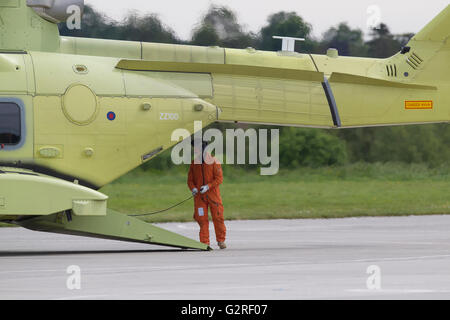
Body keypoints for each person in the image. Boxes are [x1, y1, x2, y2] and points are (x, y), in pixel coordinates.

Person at [188, 140, 227, 249]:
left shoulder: (214, 161)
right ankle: (204, 243)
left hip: (213, 196)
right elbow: (190, 180)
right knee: (201, 219)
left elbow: (219, 179)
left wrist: (208, 186)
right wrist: (193, 188)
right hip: (199, 197)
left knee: (218, 217)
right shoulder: (194, 162)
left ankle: (221, 240)